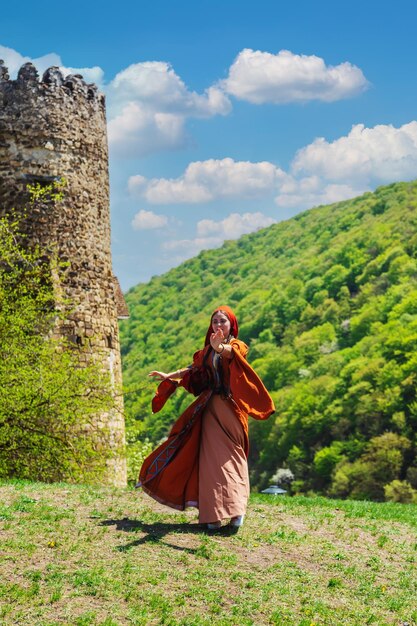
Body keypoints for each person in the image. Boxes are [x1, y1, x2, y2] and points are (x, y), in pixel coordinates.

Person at [137, 305, 275, 531]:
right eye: (215, 321)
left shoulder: (236, 345)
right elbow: (193, 368)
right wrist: (169, 376)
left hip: (231, 410)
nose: (218, 325)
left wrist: (220, 347)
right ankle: (212, 515)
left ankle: (237, 511)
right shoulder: (207, 351)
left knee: (232, 457)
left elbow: (232, 355)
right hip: (209, 409)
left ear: (232, 325)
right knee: (210, 462)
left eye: (223, 321)